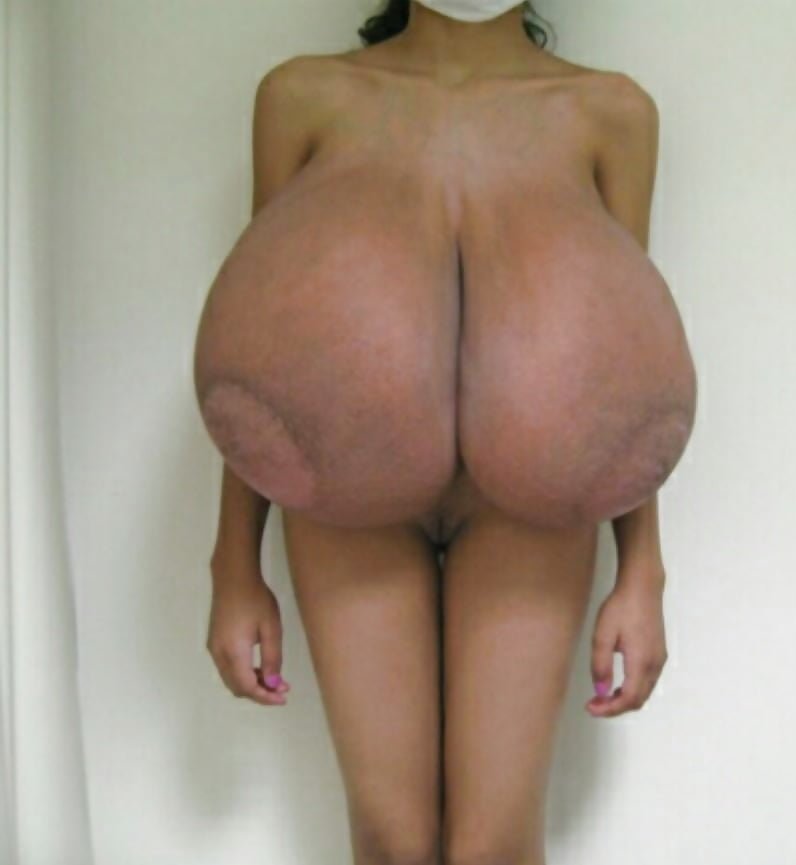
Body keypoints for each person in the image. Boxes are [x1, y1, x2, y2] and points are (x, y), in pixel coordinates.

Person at [196, 1, 697, 861]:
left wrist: (642, 570)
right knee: (390, 841)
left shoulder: (611, 113)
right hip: (348, 498)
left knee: (492, 847)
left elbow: (620, 355)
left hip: (530, 506)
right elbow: (262, 339)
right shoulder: (302, 96)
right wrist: (232, 565)